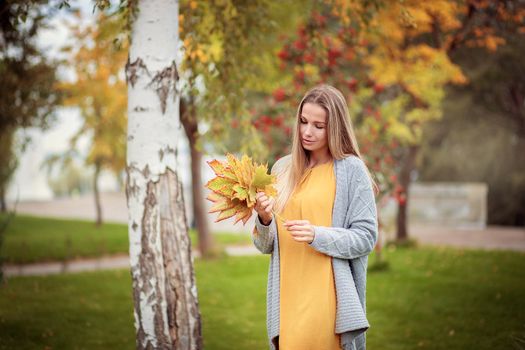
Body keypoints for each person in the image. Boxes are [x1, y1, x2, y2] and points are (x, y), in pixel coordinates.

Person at [252, 84, 378, 350]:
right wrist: (264, 218)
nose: (307, 132)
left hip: (326, 297)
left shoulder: (351, 170)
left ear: (335, 127)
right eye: (303, 121)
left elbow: (366, 237)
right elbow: (266, 245)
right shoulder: (283, 168)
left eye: (319, 126)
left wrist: (317, 234)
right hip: (287, 295)